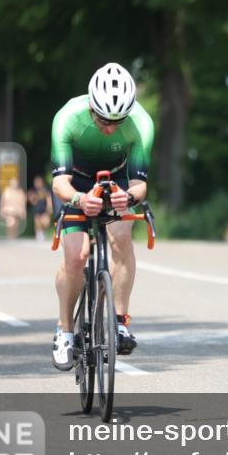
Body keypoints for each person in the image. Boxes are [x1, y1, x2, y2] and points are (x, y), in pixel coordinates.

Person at [49, 62, 154, 371]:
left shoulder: (141, 123)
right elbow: (59, 183)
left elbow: (140, 184)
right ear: (91, 107)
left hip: (117, 180)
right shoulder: (68, 118)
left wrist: (129, 197)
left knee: (121, 237)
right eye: (104, 120)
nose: (110, 128)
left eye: (118, 121)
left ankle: (120, 322)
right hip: (76, 184)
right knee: (77, 255)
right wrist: (80, 200)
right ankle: (65, 329)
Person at [28, 175, 54, 241]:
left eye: (39, 182)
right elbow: (32, 201)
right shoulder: (33, 191)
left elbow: (49, 199)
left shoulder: (45, 190)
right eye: (36, 182)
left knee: (46, 223)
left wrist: (49, 207)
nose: (38, 184)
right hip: (37, 209)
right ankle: (39, 234)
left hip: (44, 209)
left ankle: (43, 232)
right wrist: (34, 197)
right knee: (37, 222)